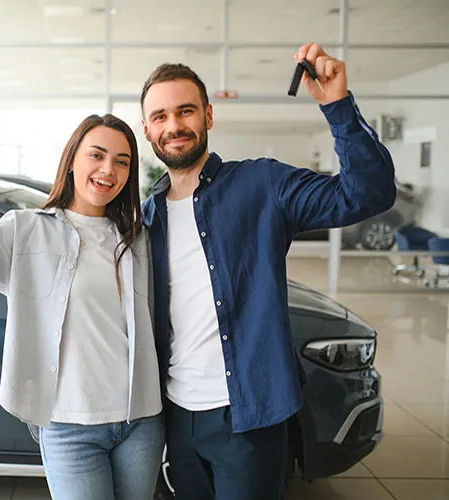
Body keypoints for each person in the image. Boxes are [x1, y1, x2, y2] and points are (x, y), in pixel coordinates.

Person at [139, 43, 396, 499]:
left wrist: (337, 105)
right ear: (147, 129)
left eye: (185, 111)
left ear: (208, 116)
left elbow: (368, 194)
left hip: (249, 417)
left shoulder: (262, 184)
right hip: (177, 415)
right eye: (160, 116)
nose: (173, 125)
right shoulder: (149, 216)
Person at [0, 114, 164, 500]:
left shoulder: (137, 238)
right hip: (68, 426)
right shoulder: (24, 229)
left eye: (122, 161)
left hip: (140, 421)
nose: (109, 170)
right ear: (72, 160)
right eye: (97, 155)